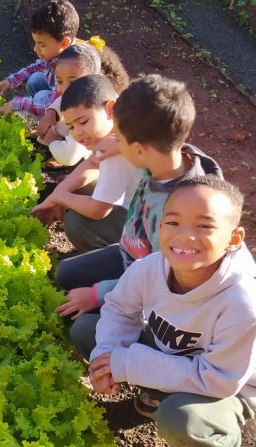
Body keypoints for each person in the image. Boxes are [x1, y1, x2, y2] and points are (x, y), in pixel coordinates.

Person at [89, 175, 256, 446]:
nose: (184, 235)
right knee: (89, 332)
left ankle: (225, 435)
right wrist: (106, 359)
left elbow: (219, 379)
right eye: (173, 222)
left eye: (204, 225)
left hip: (229, 389)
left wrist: (128, 363)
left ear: (233, 238)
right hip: (173, 354)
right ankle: (159, 393)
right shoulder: (151, 267)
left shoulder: (243, 303)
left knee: (182, 420)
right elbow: (119, 308)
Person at [55, 74, 222, 325]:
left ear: (140, 148)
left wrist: (97, 294)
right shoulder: (164, 158)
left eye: (118, 137)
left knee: (83, 330)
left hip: (159, 293)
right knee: (65, 272)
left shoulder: (178, 211)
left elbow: (164, 279)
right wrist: (122, 145)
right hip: (132, 255)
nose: (111, 143)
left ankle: (126, 318)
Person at [32, 74, 142, 254]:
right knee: (76, 185)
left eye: (83, 122)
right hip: (139, 209)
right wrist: (56, 195)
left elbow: (97, 210)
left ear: (110, 109)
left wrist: (60, 198)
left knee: (76, 223)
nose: (77, 133)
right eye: (71, 127)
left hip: (148, 232)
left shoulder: (115, 150)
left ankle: (122, 263)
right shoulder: (122, 127)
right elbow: (92, 162)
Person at [36, 42, 129, 167]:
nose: (64, 88)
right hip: (91, 140)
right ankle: (63, 142)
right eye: (59, 81)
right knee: (45, 100)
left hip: (106, 159)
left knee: (84, 177)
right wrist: (50, 113)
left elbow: (68, 158)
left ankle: (74, 155)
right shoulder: (83, 92)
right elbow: (61, 101)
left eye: (72, 81)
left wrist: (50, 140)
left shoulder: (92, 110)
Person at [0, 0, 79, 118]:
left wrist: (16, 103)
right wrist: (10, 82)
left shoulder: (72, 66)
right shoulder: (59, 51)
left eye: (42, 45)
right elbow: (37, 66)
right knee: (35, 79)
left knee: (42, 97)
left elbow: (51, 104)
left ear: (64, 43)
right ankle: (47, 121)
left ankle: (50, 129)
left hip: (73, 113)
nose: (35, 49)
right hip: (58, 95)